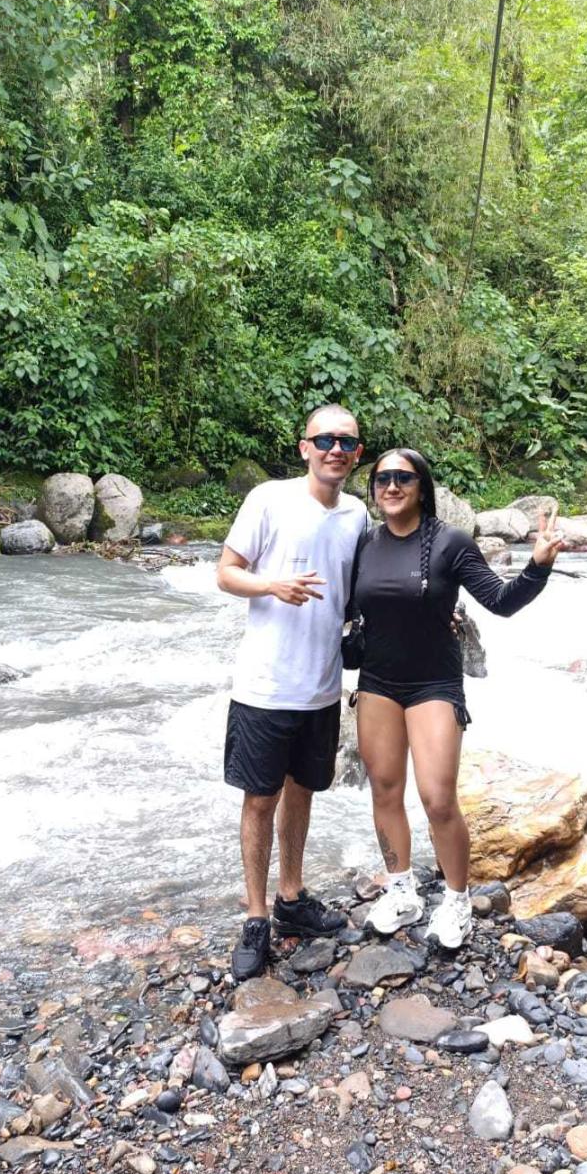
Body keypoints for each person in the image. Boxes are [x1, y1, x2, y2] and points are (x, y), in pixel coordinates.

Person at [353, 448, 562, 949]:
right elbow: (341, 606)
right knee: (385, 790)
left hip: (433, 684)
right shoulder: (364, 544)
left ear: (422, 488)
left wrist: (537, 566)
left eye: (403, 478)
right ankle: (401, 890)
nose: (392, 486)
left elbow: (500, 601)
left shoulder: (450, 542)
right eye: (382, 478)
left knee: (438, 798)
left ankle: (456, 900)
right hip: (377, 681)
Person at [217, 405, 368, 980]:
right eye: (325, 440)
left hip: (322, 687)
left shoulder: (356, 514)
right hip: (265, 684)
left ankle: (292, 897)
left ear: (357, 454)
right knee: (260, 800)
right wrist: (271, 585)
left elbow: (361, 591)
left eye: (347, 443)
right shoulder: (269, 499)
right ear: (305, 447)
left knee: (303, 792)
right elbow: (226, 572)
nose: (336, 450)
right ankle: (256, 917)